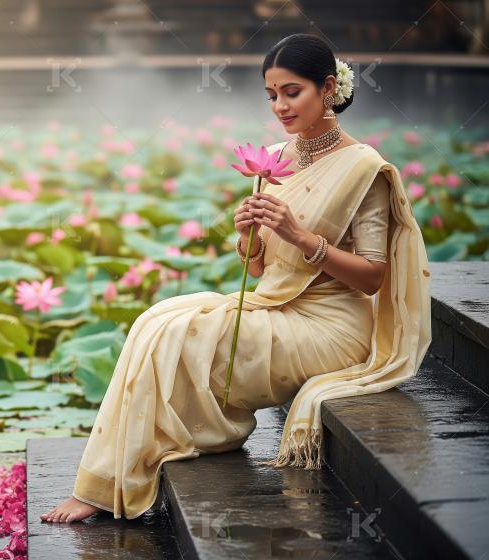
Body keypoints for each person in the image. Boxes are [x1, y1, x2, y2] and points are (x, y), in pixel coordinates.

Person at [42, 33, 431, 523]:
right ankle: (112, 474)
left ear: (328, 88)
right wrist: (247, 236)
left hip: (332, 326)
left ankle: (124, 476)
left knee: (184, 331)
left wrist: (300, 234)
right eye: (271, 95)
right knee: (154, 319)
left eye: (293, 92)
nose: (280, 106)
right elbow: (260, 272)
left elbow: (373, 278)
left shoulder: (364, 168)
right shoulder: (274, 157)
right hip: (276, 305)